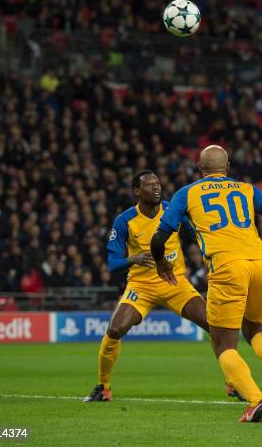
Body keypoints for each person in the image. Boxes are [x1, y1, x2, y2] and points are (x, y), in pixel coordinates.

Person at [151, 145, 262, 422]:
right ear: (227, 167)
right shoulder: (246, 189)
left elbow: (159, 238)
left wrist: (160, 262)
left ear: (198, 168)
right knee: (256, 329)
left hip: (228, 267)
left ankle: (255, 400)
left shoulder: (187, 193)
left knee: (224, 344)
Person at [83, 170, 209, 402]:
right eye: (149, 185)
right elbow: (112, 263)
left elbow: (198, 236)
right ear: (137, 192)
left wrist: (207, 258)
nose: (156, 188)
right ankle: (103, 386)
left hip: (175, 283)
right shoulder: (124, 221)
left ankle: (232, 383)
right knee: (114, 330)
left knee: (215, 325)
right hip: (141, 286)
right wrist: (133, 258)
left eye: (158, 184)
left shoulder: (173, 210)